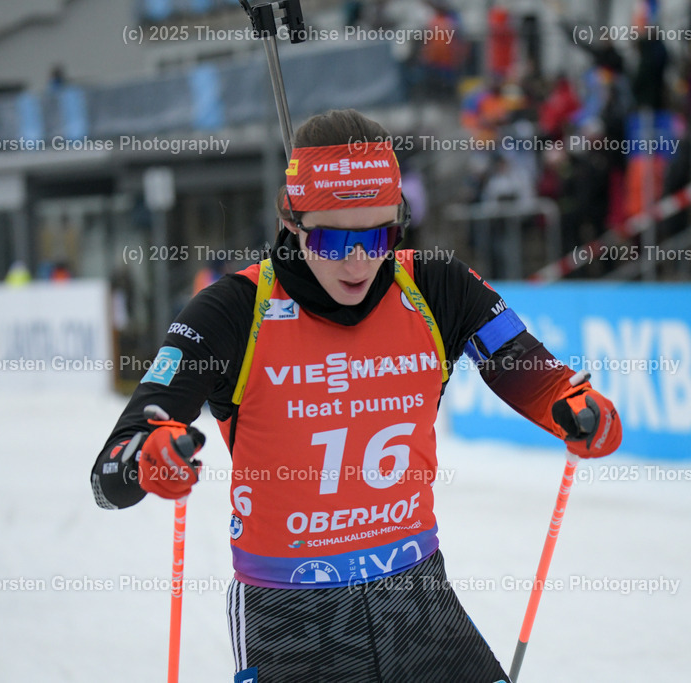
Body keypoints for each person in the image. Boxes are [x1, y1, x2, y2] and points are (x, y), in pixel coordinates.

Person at [91, 109, 622, 681]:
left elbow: (532, 372)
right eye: (334, 237)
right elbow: (111, 474)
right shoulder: (233, 311)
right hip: (290, 619)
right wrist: (149, 457)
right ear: (290, 223)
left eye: (379, 235)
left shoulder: (434, 285)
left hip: (418, 602)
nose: (359, 259)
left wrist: (573, 406)